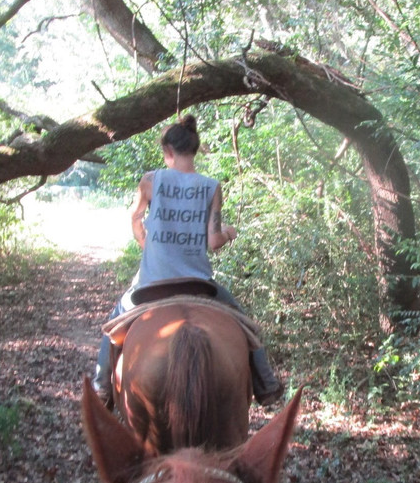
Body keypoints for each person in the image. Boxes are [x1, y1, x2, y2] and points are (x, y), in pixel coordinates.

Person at [92, 114, 284, 407]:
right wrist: (230, 232)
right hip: (199, 284)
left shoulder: (150, 181)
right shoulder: (212, 186)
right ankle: (266, 383)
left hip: (151, 283)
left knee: (113, 323)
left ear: (168, 152)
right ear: (194, 150)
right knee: (246, 324)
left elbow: (135, 218)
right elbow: (214, 242)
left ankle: (101, 386)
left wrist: (147, 243)